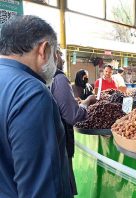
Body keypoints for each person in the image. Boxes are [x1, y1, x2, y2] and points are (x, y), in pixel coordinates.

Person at [0, 15, 72, 197]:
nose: (56, 62)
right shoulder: (32, 93)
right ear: (44, 49)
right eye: (55, 54)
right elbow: (40, 188)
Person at [50, 48, 96, 195]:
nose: (63, 60)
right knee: (64, 185)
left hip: (50, 145)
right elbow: (73, 116)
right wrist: (87, 102)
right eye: (60, 56)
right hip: (60, 143)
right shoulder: (59, 78)